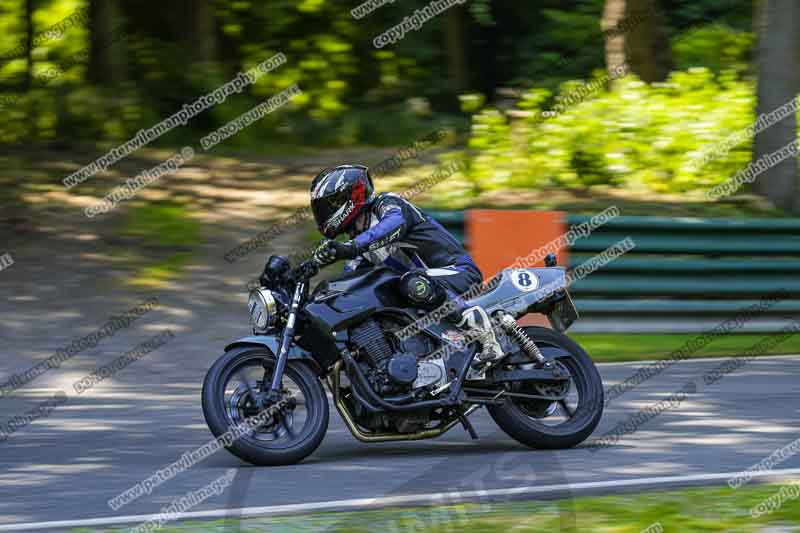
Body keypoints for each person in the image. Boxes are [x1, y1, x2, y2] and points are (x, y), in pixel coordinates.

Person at [309, 164, 483, 311]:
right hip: (423, 290)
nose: (323, 213)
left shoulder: (387, 203)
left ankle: (479, 326)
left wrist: (351, 247)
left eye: (330, 205)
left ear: (351, 196)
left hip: (459, 273)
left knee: (410, 282)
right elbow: (348, 286)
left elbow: (395, 223)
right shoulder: (358, 245)